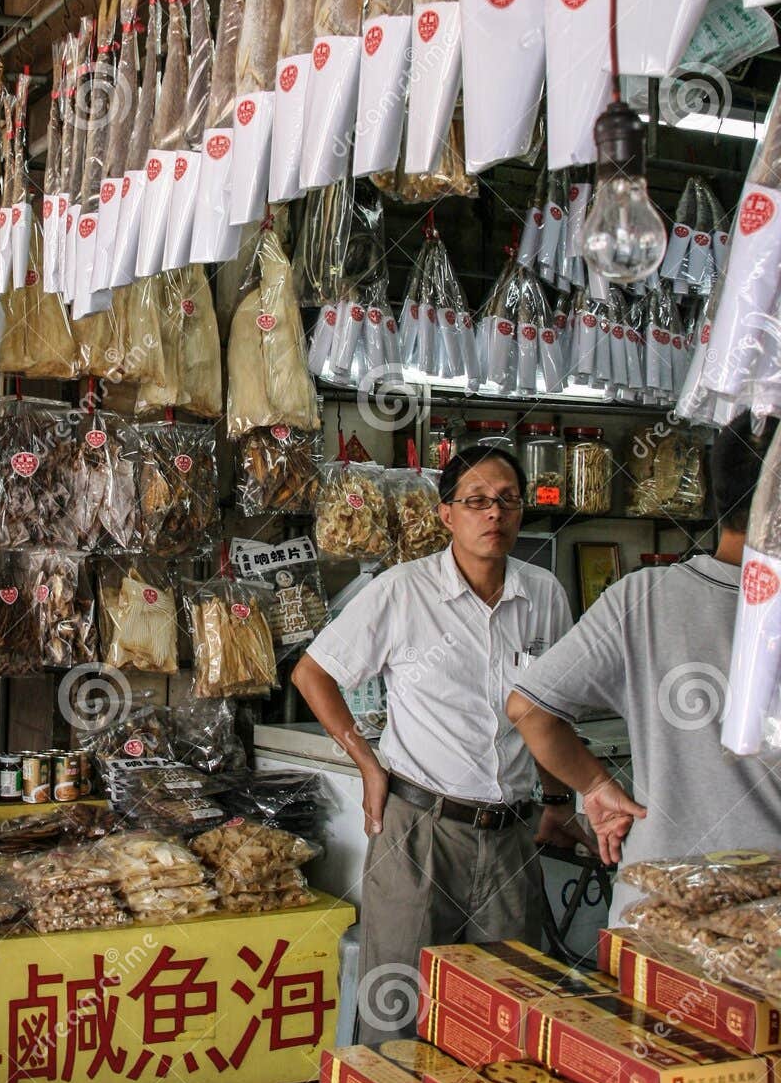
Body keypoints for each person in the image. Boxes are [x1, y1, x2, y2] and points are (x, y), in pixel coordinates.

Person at [292, 445, 577, 1044]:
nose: (492, 514)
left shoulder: (545, 594)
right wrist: (368, 765)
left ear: (522, 512)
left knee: (505, 1018)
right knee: (397, 1013)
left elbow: (552, 708)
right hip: (420, 831)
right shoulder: (403, 591)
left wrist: (558, 800)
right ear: (446, 514)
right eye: (475, 502)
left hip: (509, 839)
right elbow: (312, 673)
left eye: (506, 500)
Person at [506, 413, 781, 924]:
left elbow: (528, 709)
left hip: (656, 909)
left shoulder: (645, 595)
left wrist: (597, 787)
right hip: (762, 932)